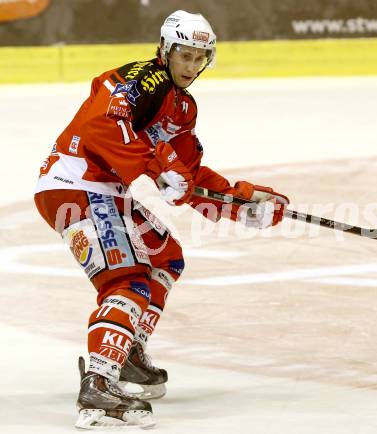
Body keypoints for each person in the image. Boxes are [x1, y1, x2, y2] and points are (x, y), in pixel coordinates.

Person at [34, 9, 289, 429]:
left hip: (105, 190)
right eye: (184, 55)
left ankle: (127, 349)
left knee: (166, 258)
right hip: (74, 185)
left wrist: (242, 202)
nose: (191, 66)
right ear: (166, 50)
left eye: (199, 57)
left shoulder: (183, 107)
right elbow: (103, 126)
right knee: (126, 280)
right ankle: (99, 380)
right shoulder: (141, 79)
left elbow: (188, 177)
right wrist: (154, 168)